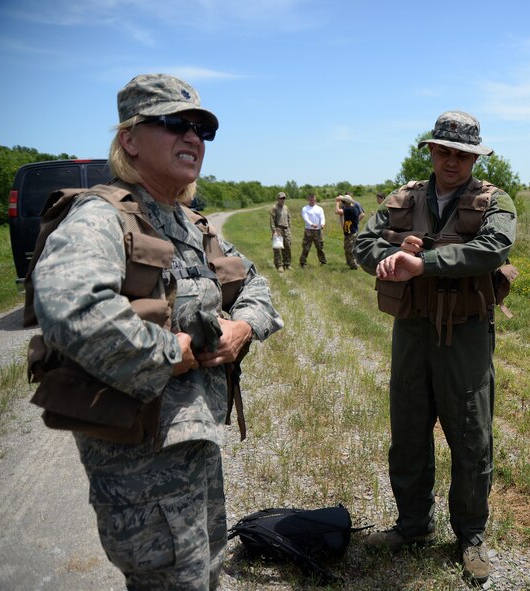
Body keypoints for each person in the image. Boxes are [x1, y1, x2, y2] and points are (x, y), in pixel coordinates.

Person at [30, 73, 283, 589]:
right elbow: (69, 306)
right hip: (139, 464)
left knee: (206, 571)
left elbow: (255, 285)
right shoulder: (99, 218)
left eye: (201, 130)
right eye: (174, 124)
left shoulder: (191, 223)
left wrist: (243, 329)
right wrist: (169, 353)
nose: (191, 137)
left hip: (195, 448)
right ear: (129, 139)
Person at [353, 111, 517, 585]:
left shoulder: (494, 199)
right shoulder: (403, 197)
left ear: (476, 156)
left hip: (464, 333)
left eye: (463, 154)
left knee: (470, 436)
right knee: (407, 431)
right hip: (412, 329)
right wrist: (391, 259)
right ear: (430, 151)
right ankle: (412, 526)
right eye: (444, 151)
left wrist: (422, 262)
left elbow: (493, 249)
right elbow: (364, 244)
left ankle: (470, 537)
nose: (452, 161)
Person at [335, 193, 364, 269]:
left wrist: (337, 202)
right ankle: (352, 264)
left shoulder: (349, 209)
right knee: (349, 249)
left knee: (349, 250)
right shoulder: (352, 207)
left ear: (346, 203)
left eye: (343, 202)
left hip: (351, 233)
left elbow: (337, 211)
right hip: (350, 232)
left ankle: (354, 265)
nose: (343, 203)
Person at [299, 193, 327, 267]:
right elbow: (306, 218)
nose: (312, 201)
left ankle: (323, 262)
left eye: (313, 199)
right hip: (308, 231)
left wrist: (323, 224)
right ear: (308, 199)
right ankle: (302, 262)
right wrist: (311, 224)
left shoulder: (319, 208)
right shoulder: (305, 208)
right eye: (311, 199)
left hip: (318, 231)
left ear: (315, 199)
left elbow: (322, 217)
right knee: (306, 247)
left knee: (320, 247)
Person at [270, 191, 292, 272]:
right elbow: (272, 220)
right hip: (278, 230)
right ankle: (279, 265)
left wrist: (289, 228)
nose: (282, 200)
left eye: (284, 198)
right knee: (277, 248)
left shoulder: (286, 208)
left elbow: (289, 218)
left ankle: (287, 264)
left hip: (286, 230)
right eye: (281, 198)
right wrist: (274, 230)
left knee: (288, 248)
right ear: (278, 199)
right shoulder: (274, 208)